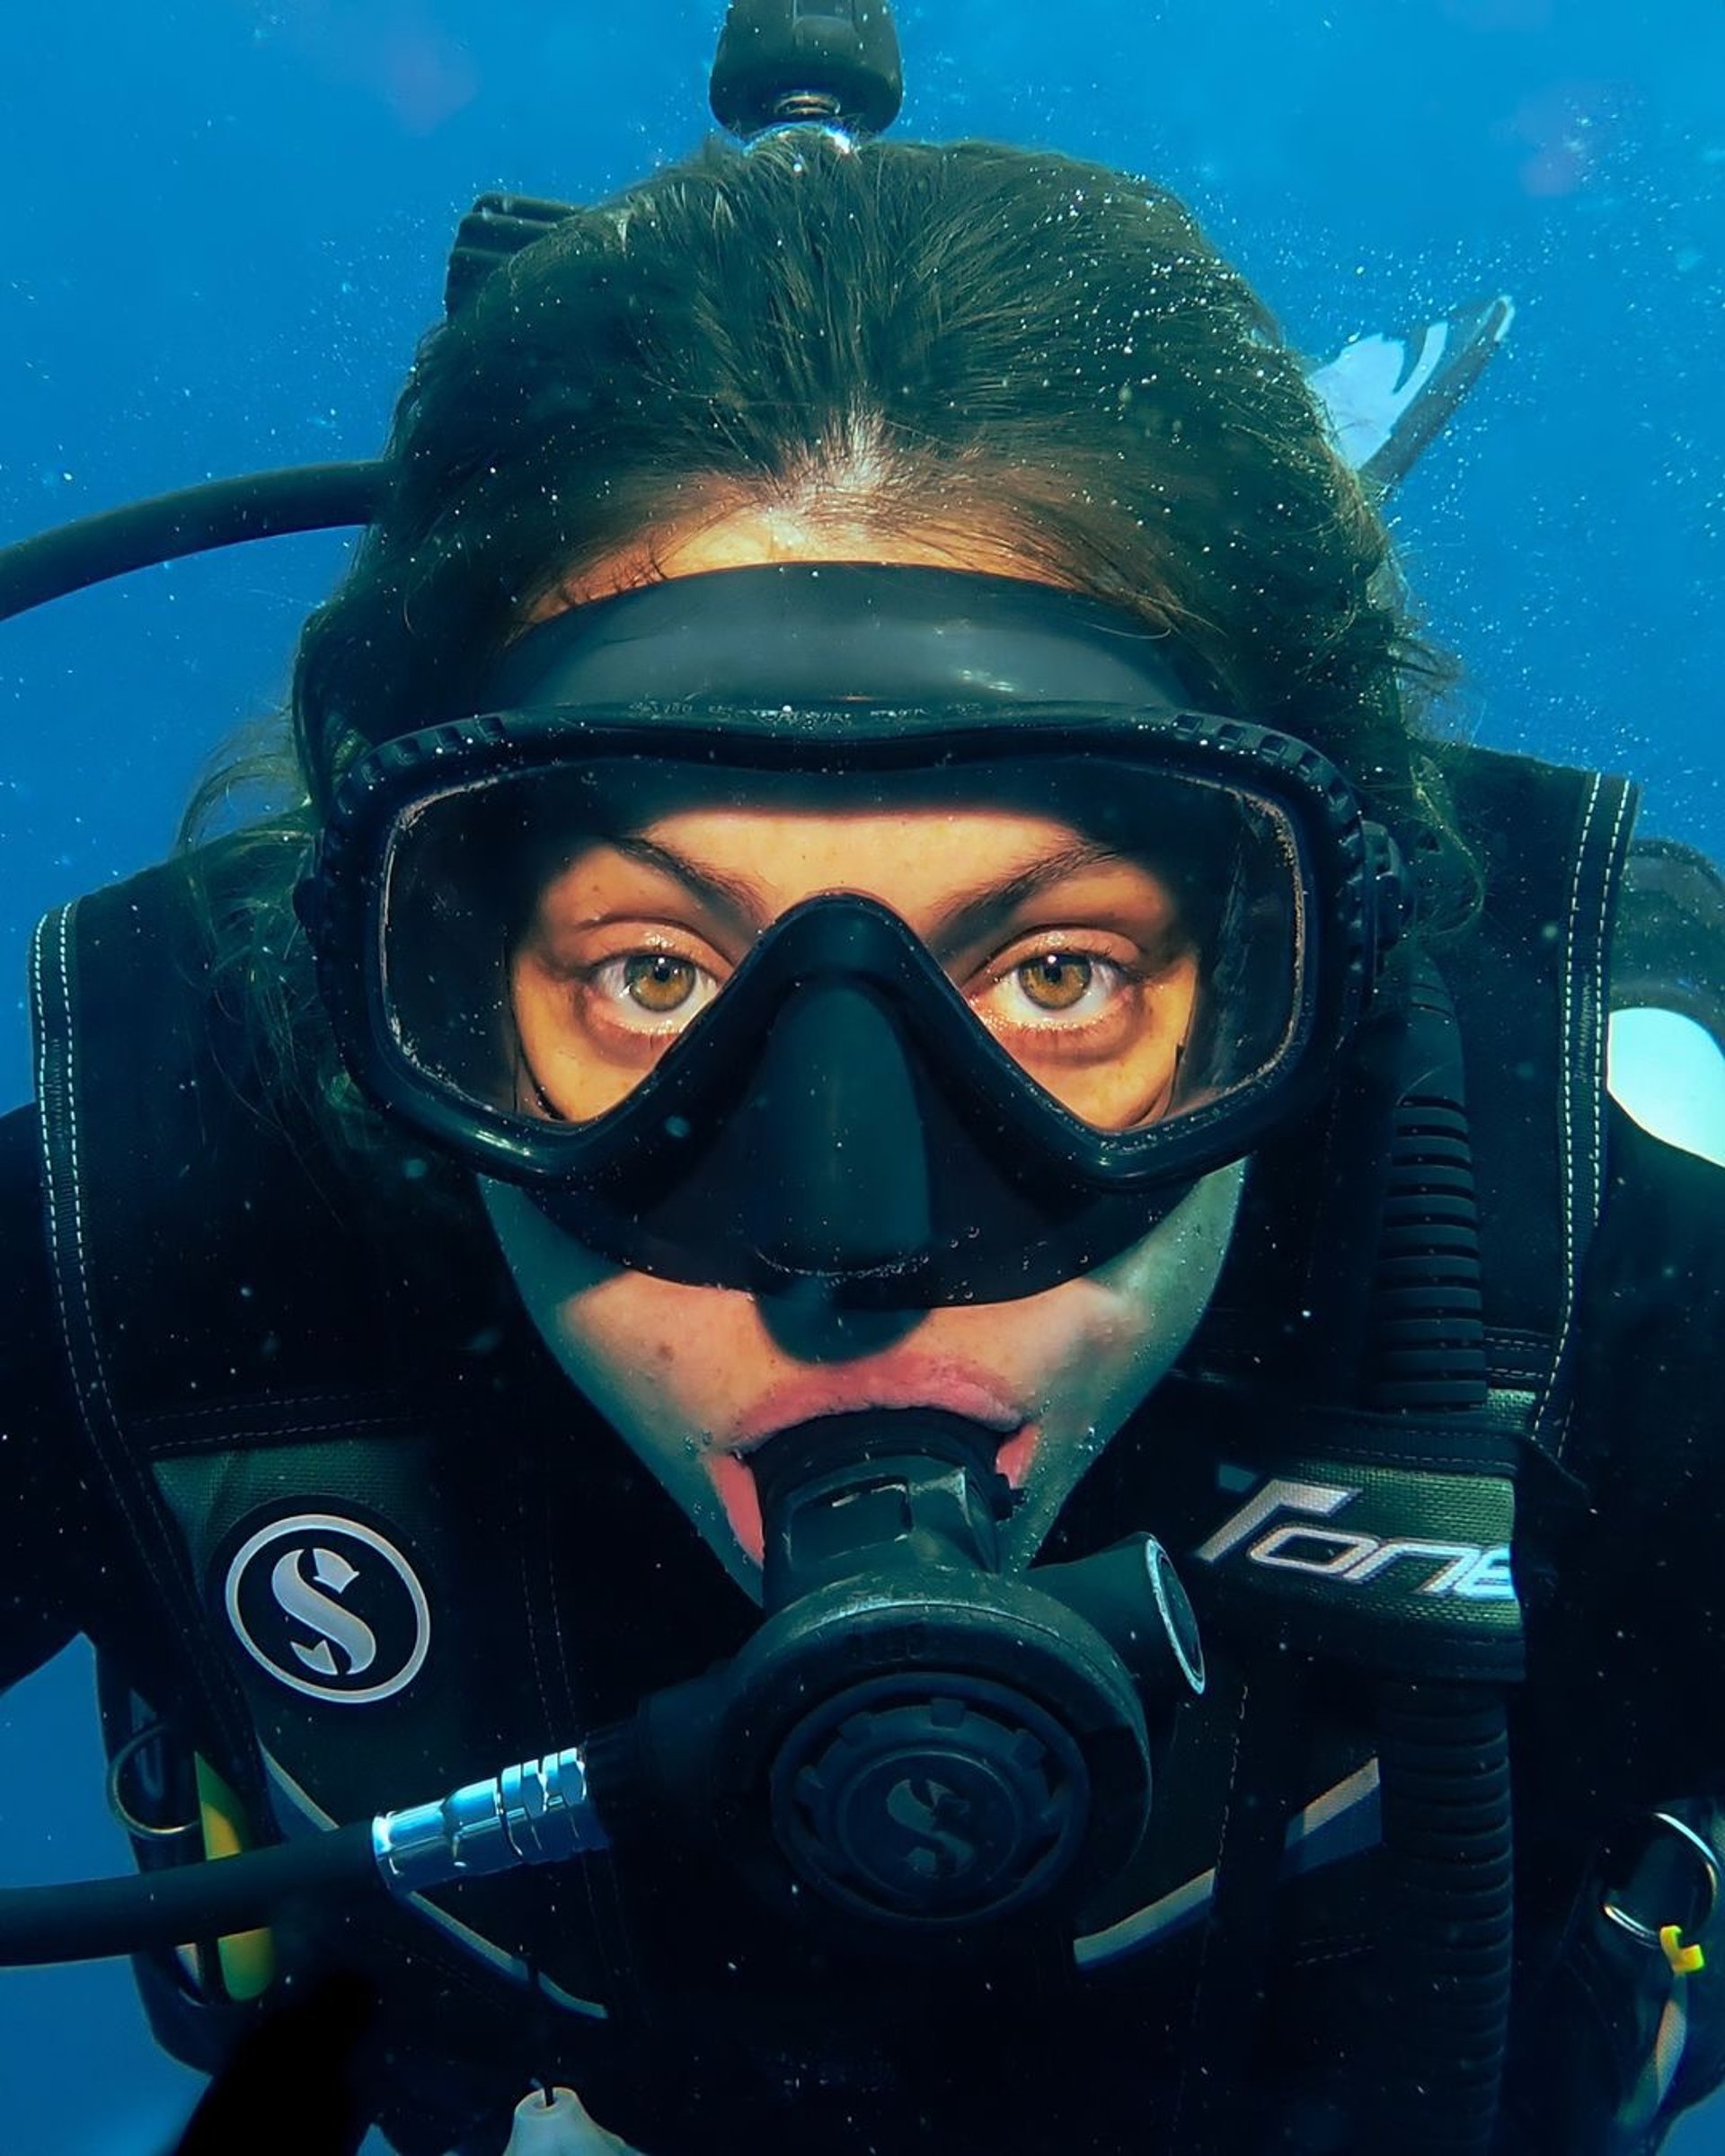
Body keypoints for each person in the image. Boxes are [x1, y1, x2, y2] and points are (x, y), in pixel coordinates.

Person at [3, 115, 1724, 2156]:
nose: (850, 1246)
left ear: (1316, 974)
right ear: (422, 990)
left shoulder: (1624, 1238)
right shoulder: (180, 1227)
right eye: (649, 977)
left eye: (1060, 975)